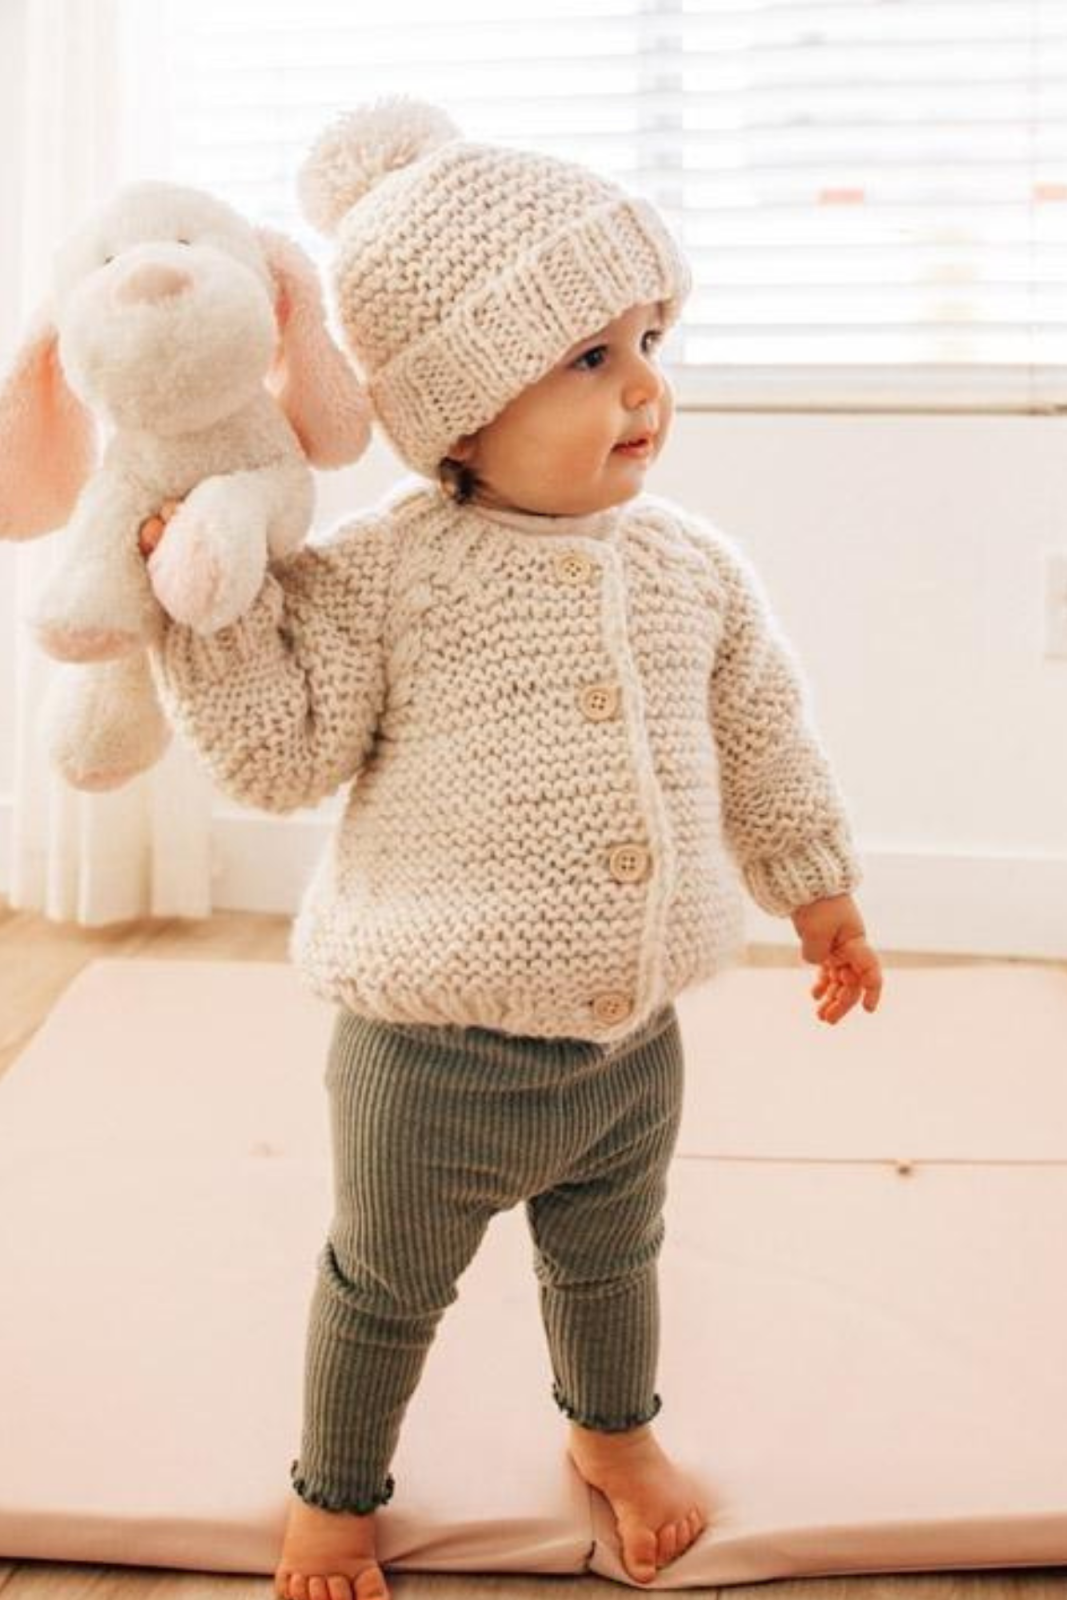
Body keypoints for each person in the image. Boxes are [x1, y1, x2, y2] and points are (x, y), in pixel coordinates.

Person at [140, 97, 884, 1600]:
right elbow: (280, 753)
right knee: (382, 1287)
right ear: (463, 411)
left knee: (613, 1261)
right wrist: (205, 617)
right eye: (589, 358)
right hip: (431, 1058)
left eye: (650, 340)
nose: (644, 386)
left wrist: (818, 892)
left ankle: (612, 1433)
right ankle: (335, 1494)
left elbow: (763, 738)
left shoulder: (693, 570)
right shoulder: (386, 577)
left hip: (629, 1044)